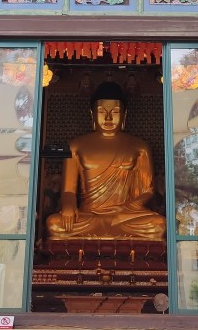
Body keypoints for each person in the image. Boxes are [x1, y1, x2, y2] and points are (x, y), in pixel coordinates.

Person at [45, 82, 165, 241]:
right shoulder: (75, 146)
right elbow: (68, 191)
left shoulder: (140, 147)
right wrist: (68, 205)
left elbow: (147, 191)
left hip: (125, 216)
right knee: (54, 223)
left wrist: (126, 209)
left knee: (158, 224)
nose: (108, 117)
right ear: (92, 114)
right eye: (102, 111)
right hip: (88, 216)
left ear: (124, 115)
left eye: (115, 111)